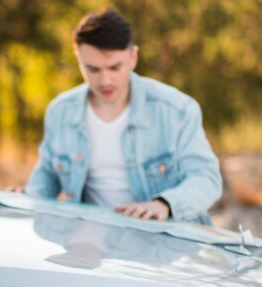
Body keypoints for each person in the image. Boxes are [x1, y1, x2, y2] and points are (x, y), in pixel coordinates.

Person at [25, 8, 221, 224]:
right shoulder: (60, 111)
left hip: (164, 241)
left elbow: (206, 179)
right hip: (90, 243)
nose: (105, 81)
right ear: (79, 60)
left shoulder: (177, 110)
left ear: (133, 57)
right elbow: (47, 175)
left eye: (114, 67)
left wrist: (164, 204)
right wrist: (26, 197)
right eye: (93, 69)